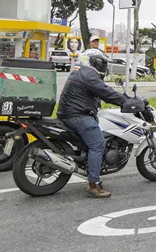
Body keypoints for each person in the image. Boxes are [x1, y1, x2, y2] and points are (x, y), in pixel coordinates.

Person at [57, 48, 135, 198]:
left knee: (94, 139)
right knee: (98, 144)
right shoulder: (88, 74)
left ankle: (88, 163)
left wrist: (122, 97)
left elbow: (103, 93)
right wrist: (127, 102)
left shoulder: (81, 72)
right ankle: (93, 184)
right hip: (77, 115)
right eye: (101, 63)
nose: (103, 67)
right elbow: (105, 91)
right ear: (93, 62)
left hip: (72, 113)